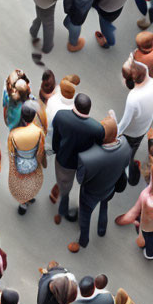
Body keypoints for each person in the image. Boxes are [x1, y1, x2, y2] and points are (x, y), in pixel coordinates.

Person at [68, 116, 131, 252]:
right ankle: (102, 229)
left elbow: (81, 179)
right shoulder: (126, 144)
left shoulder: (88, 158)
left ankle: (83, 241)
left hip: (91, 193)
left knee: (85, 217)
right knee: (104, 206)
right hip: (110, 187)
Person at [51, 93, 105, 223]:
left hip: (65, 161)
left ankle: (62, 209)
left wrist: (58, 151)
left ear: (74, 104)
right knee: (84, 189)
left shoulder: (61, 116)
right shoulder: (97, 129)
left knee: (65, 187)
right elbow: (96, 148)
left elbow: (56, 140)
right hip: (85, 164)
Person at [116, 56, 153, 185]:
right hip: (144, 127)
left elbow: (125, 122)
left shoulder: (133, 98)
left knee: (126, 153)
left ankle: (126, 175)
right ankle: (129, 168)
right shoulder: (151, 82)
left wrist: (114, 133)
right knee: (133, 150)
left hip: (132, 132)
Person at [7, 104, 46, 216]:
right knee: (31, 181)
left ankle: (23, 203)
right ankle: (31, 196)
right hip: (33, 161)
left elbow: (11, 153)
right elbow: (41, 149)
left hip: (20, 163)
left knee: (21, 184)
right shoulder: (39, 131)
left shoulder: (14, 134)